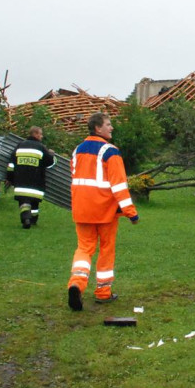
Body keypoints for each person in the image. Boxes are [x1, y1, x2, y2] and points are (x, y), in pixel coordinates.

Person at [67, 112, 139, 311]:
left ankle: (76, 284)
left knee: (84, 249)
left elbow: (75, 179)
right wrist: (131, 212)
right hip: (105, 211)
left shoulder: (77, 150)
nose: (112, 128)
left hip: (82, 209)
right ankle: (103, 292)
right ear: (98, 128)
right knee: (106, 250)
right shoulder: (110, 152)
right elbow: (119, 186)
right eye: (108, 124)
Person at [6, 126, 56, 229]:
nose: (41, 136)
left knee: (24, 203)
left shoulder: (20, 146)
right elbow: (49, 163)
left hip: (21, 183)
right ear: (36, 134)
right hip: (36, 184)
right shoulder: (41, 147)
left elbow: (11, 164)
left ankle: (26, 218)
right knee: (34, 205)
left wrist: (9, 178)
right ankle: (33, 219)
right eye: (40, 134)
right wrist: (52, 155)